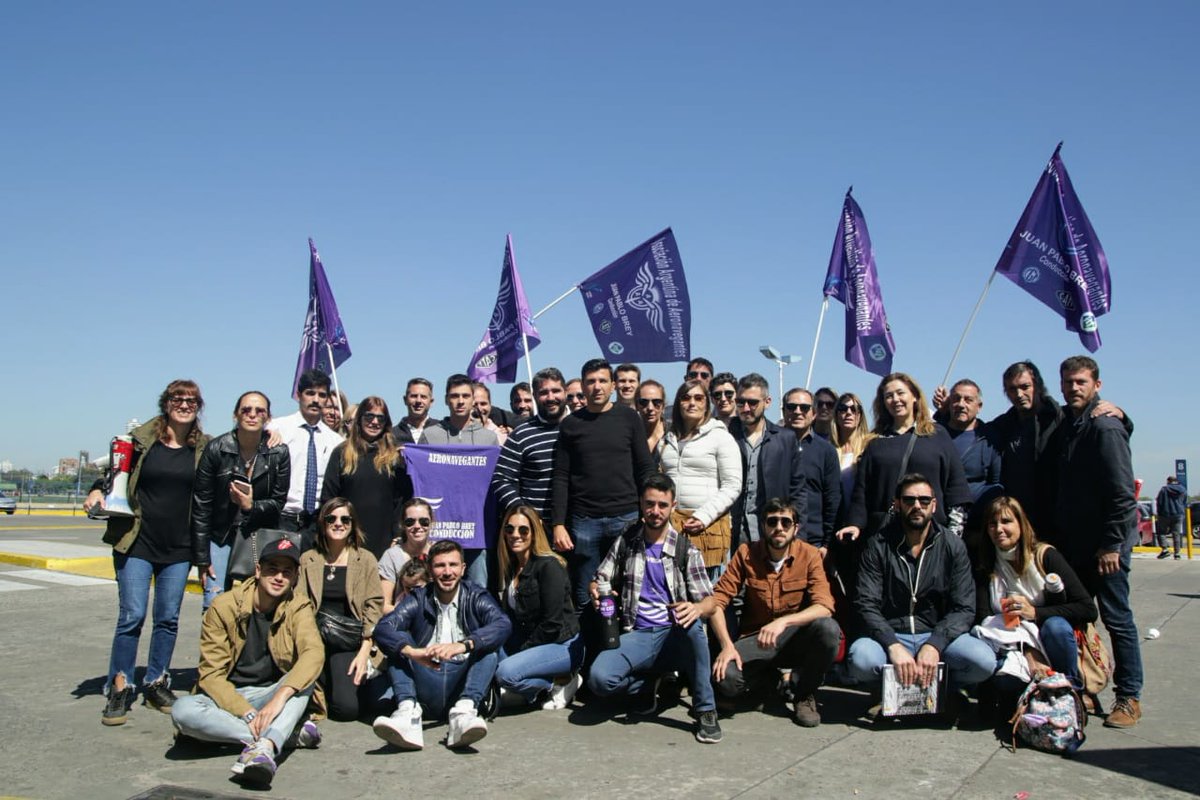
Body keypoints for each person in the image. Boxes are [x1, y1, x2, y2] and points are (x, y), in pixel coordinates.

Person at [86, 379, 210, 726]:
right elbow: (111, 472)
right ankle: (120, 684)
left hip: (180, 546)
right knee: (132, 616)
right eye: (177, 398)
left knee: (168, 619)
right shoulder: (140, 441)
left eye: (191, 400)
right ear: (165, 403)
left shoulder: (205, 447)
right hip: (137, 541)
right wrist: (97, 491)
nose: (184, 404)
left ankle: (157, 681)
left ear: (199, 406)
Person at [171, 538, 323, 788]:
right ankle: (279, 737)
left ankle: (265, 747)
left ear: (295, 578)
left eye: (287, 572)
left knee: (304, 679)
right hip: (226, 697)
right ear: (258, 570)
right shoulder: (223, 606)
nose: (279, 577)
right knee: (183, 711)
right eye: (272, 568)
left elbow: (313, 653)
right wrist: (247, 712)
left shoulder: (298, 605)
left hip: (269, 693)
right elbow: (210, 675)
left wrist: (278, 699)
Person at [588, 475, 723, 744]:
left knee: (694, 625)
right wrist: (595, 588)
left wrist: (696, 608)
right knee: (599, 680)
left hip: (673, 635)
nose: (655, 511)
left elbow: (711, 601)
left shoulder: (686, 550)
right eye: (650, 504)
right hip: (636, 632)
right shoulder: (626, 541)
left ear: (673, 506)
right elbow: (600, 577)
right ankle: (649, 685)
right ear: (641, 503)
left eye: (662, 505)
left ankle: (705, 709)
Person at [1050, 355, 1143, 727]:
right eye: (1069, 382)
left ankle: (1129, 697)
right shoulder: (1069, 423)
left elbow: (1122, 494)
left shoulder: (1104, 427)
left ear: (1097, 385)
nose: (1074, 388)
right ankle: (1086, 688)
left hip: (1105, 548)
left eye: (1081, 382)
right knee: (1080, 619)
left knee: (1117, 620)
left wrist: (1111, 545)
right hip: (1074, 546)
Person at [846, 474, 994, 703]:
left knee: (983, 661)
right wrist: (892, 644)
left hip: (936, 633)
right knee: (861, 659)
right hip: (892, 635)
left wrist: (935, 645)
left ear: (934, 505)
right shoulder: (878, 545)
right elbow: (866, 604)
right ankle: (887, 693)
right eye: (909, 500)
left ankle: (944, 692)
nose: (917, 506)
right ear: (897, 504)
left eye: (924, 500)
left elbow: (964, 607)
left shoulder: (952, 546)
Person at [700, 499, 841, 727]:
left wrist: (784, 622)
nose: (779, 527)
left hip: (795, 638)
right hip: (757, 640)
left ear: (796, 527)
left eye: (786, 522)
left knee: (828, 629)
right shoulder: (746, 553)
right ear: (764, 526)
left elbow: (825, 606)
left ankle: (803, 695)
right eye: (772, 521)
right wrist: (727, 646)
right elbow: (716, 602)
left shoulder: (810, 555)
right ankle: (769, 681)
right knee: (725, 678)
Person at [371, 540, 512, 750]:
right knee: (398, 641)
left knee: (487, 646)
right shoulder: (418, 597)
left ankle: (463, 715)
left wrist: (464, 645)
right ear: (430, 569)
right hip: (425, 679)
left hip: (462, 684)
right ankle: (407, 714)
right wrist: (412, 652)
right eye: (440, 566)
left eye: (453, 565)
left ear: (463, 568)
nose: (447, 572)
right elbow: (383, 628)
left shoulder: (476, 595)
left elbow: (502, 624)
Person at [551, 359, 657, 630]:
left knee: (631, 589)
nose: (596, 387)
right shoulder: (570, 425)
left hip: (628, 519)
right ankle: (587, 657)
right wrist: (558, 524)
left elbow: (644, 466)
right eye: (590, 381)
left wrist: (647, 509)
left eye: (602, 381)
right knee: (587, 595)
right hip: (584, 523)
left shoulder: (629, 418)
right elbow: (561, 477)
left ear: (612, 385)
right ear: (582, 386)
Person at [972, 496, 1096, 696]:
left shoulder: (1045, 556)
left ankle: (1072, 692)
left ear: (1021, 524)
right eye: (992, 524)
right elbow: (983, 617)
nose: (999, 529)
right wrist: (1028, 649)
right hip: (1011, 642)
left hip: (1051, 641)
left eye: (1006, 521)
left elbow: (1088, 609)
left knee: (1057, 626)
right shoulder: (986, 564)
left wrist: (1035, 612)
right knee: (1006, 682)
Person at [837, 372, 971, 545]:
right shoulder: (875, 441)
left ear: (914, 396)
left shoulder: (937, 435)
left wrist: (953, 538)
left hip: (932, 537)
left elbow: (956, 489)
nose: (895, 399)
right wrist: (855, 524)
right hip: (885, 537)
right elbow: (862, 491)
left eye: (900, 393)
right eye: (889, 396)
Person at [191, 391, 289, 610]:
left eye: (259, 410)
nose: (252, 415)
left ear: (268, 417)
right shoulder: (217, 448)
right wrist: (202, 557)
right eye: (246, 410)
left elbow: (278, 503)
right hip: (220, 537)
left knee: (255, 608)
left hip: (257, 538)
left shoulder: (279, 453)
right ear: (236, 415)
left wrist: (250, 506)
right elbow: (202, 505)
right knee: (213, 605)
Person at [296, 497, 384, 721]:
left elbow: (374, 606)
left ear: (353, 524)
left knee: (346, 711)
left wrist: (365, 649)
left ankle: (333, 685)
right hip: (315, 639)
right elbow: (299, 603)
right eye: (331, 518)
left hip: (348, 640)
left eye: (345, 519)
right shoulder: (308, 559)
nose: (338, 523)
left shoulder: (365, 560)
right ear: (322, 524)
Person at [495, 506, 584, 709]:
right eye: (509, 529)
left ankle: (560, 682)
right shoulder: (510, 567)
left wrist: (520, 652)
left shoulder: (549, 566)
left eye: (523, 530)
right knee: (487, 652)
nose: (515, 535)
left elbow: (552, 624)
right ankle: (528, 686)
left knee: (505, 673)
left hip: (561, 644)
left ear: (535, 532)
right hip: (531, 641)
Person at [657, 379, 742, 578]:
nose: (692, 403)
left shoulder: (721, 437)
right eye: (686, 398)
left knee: (707, 598)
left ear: (706, 404)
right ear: (678, 403)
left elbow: (733, 485)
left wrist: (704, 516)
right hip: (671, 527)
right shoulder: (667, 440)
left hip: (708, 527)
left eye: (698, 398)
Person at [320, 396, 411, 558]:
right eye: (369, 416)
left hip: (385, 542)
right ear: (359, 419)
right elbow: (329, 498)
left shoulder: (395, 457)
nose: (375, 422)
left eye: (380, 418)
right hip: (347, 539)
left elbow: (402, 501)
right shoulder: (341, 453)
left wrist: (398, 535)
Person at [726, 373, 806, 551]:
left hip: (771, 532)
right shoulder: (725, 433)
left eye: (753, 403)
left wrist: (796, 534)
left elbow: (798, 491)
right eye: (741, 402)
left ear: (767, 402)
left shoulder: (785, 439)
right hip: (731, 531)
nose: (746, 408)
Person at [269, 369, 342, 536]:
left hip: (316, 523)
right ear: (299, 395)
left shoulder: (335, 441)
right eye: (310, 393)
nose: (316, 400)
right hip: (282, 519)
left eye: (322, 395)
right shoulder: (278, 428)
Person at [491, 367, 568, 523]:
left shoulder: (582, 427)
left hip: (580, 525)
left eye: (556, 391)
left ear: (565, 392)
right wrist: (525, 515)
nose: (550, 397)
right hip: (536, 528)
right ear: (535, 396)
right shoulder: (520, 435)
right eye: (543, 392)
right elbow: (501, 480)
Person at [780, 388, 841, 555]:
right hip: (775, 538)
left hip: (813, 541)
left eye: (804, 407)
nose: (797, 412)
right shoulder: (770, 446)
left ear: (814, 413)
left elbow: (832, 499)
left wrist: (826, 544)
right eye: (791, 407)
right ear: (784, 411)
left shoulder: (826, 451)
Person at [378, 498, 435, 614]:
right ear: (402, 525)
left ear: (432, 523)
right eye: (410, 522)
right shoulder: (392, 556)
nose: (417, 526)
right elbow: (383, 606)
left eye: (424, 521)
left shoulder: (439, 553)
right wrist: (413, 613)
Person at [420, 375, 501, 446]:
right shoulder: (429, 436)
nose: (461, 401)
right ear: (446, 400)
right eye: (455, 396)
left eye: (466, 396)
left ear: (473, 400)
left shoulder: (489, 439)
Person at [392, 378, 435, 445]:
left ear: (431, 402)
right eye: (414, 396)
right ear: (405, 400)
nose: (418, 401)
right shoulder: (392, 435)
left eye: (423, 397)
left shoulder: (443, 432)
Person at [1156, 476, 1187, 560]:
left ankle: (1165, 550)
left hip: (1164, 514)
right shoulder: (1183, 489)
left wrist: (1159, 513)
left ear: (1168, 481)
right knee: (1176, 534)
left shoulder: (1164, 489)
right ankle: (1177, 554)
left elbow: (1159, 502)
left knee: (1161, 533)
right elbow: (1184, 502)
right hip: (1178, 514)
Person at [636, 379, 667, 458]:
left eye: (656, 402)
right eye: (644, 402)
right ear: (637, 406)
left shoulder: (674, 435)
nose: (650, 408)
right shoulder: (631, 437)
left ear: (663, 406)